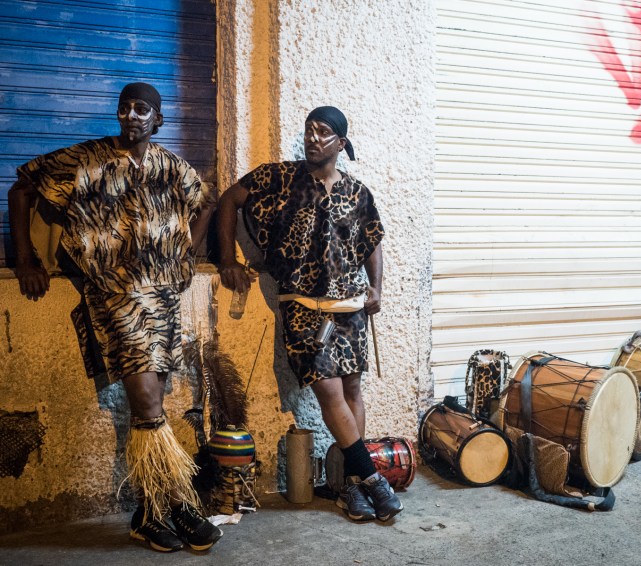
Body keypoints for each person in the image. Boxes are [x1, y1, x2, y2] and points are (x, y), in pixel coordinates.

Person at [8, 83, 222, 552]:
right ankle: (177, 503)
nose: (131, 115)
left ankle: (151, 513)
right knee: (147, 406)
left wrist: (186, 252)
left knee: (154, 405)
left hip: (164, 297)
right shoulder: (85, 160)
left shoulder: (171, 166)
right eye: (124, 108)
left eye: (142, 109)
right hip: (116, 296)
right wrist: (25, 259)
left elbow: (206, 201)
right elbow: (22, 189)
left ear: (158, 119)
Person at [217, 106, 403, 522]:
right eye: (309, 131)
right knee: (329, 392)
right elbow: (228, 200)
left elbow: (373, 239)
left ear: (341, 143)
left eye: (323, 132)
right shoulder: (279, 178)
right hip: (302, 308)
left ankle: (351, 486)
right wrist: (228, 258)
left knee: (352, 391)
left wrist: (376, 288)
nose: (313, 138)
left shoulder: (357, 193)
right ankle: (374, 479)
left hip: (349, 310)